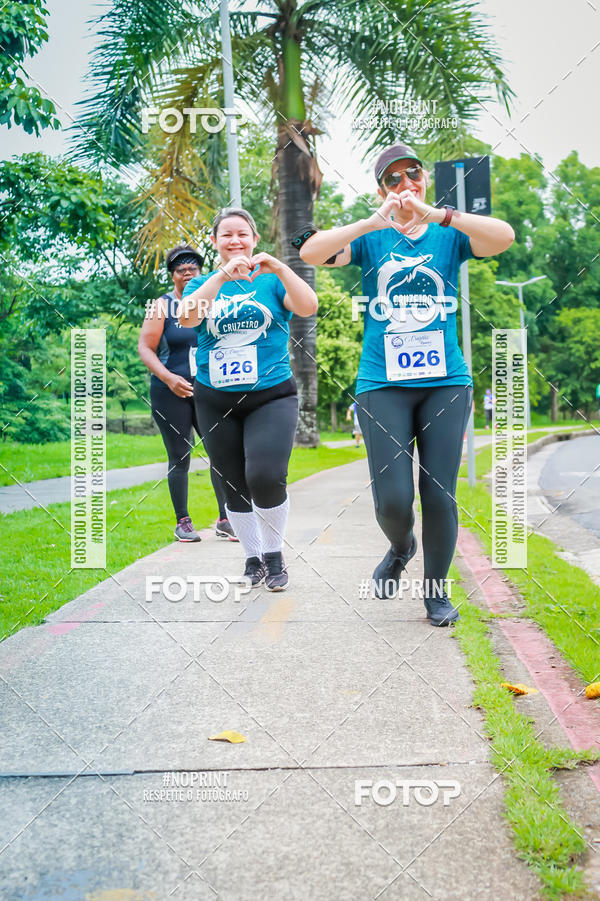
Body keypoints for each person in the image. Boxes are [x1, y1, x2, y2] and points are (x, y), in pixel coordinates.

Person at [299, 143, 514, 625]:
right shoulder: (372, 239)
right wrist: (372, 222)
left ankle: (436, 591)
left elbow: (503, 237)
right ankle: (401, 547)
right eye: (392, 180)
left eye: (411, 175)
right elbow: (310, 250)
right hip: (382, 383)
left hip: (445, 382)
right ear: (381, 190)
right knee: (393, 500)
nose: (404, 185)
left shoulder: (449, 233)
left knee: (439, 492)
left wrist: (439, 213)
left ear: (424, 180)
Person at [179, 208, 318, 590]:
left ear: (255, 239)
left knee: (265, 475)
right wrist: (222, 275)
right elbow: (188, 318)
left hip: (270, 395)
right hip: (215, 398)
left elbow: (308, 306)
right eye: (227, 235)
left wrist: (281, 267)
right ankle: (253, 558)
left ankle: (274, 555)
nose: (235, 241)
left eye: (243, 234)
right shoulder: (202, 284)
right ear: (215, 242)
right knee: (232, 482)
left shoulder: (272, 282)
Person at [138, 245, 236, 542]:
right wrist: (169, 379)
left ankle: (226, 518)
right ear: (173, 276)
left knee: (221, 453)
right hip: (170, 391)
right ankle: (183, 521)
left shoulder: (213, 299)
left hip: (209, 388)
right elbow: (145, 347)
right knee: (180, 456)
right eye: (181, 270)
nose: (188, 273)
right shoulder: (161, 306)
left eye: (193, 269)